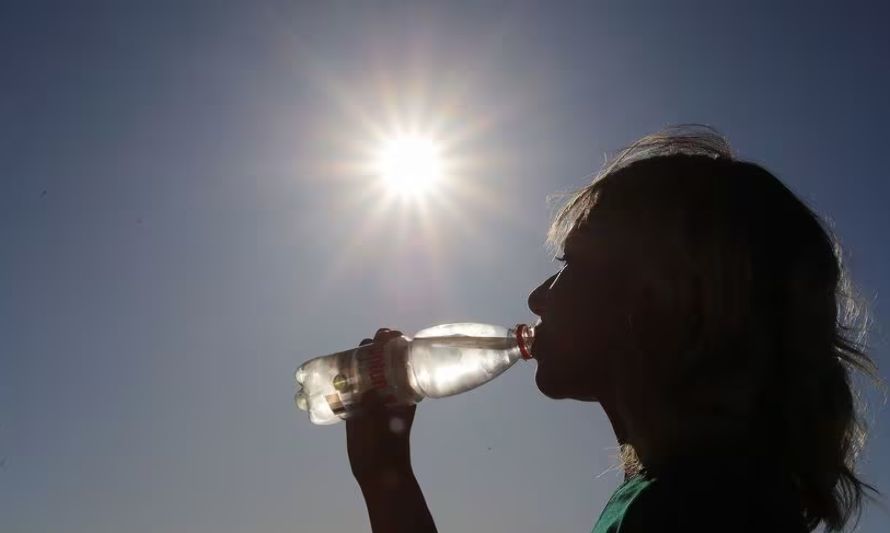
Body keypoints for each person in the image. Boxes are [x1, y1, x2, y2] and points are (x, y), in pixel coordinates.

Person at [344, 126, 881, 532]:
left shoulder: (697, 511)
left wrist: (386, 481)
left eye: (571, 263)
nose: (536, 297)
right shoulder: (690, 493)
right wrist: (384, 474)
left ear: (656, 300)